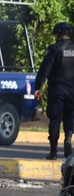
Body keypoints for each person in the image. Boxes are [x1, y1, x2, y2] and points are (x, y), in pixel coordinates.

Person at [34, 21, 74, 159]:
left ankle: (53, 152)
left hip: (56, 89)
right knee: (70, 116)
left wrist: (38, 87)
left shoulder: (54, 49)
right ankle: (68, 137)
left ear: (58, 34)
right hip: (72, 90)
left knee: (55, 119)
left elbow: (44, 70)